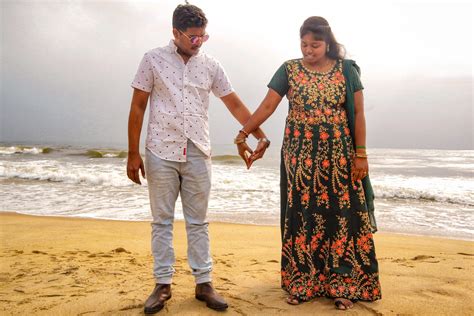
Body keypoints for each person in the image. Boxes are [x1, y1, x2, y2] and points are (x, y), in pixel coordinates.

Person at [127, 3, 269, 314]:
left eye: (203, 36)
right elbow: (138, 107)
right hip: (159, 150)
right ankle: (162, 285)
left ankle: (204, 284)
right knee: (162, 221)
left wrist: (258, 134)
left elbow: (234, 104)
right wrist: (133, 153)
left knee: (198, 222)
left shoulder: (211, 65)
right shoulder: (152, 59)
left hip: (197, 151)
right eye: (193, 37)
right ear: (175, 32)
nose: (198, 42)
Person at [235, 16, 381, 310]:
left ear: (328, 44)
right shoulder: (288, 70)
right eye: (304, 44)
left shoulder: (346, 70)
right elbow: (267, 105)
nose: (308, 50)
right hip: (299, 158)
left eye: (315, 44)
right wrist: (243, 132)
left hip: (339, 157)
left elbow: (360, 112)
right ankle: (303, 282)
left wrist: (361, 154)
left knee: (342, 216)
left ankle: (344, 283)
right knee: (303, 215)